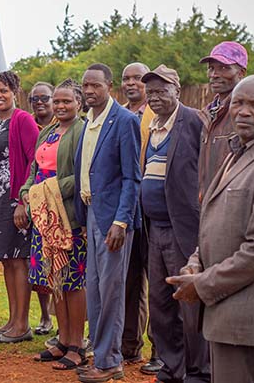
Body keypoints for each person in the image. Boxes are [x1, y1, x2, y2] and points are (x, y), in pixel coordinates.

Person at [168, 75, 254, 383]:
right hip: (227, 310)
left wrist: (203, 284)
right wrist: (196, 262)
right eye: (238, 103)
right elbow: (216, 222)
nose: (243, 111)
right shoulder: (237, 151)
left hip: (249, 315)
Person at [139, 65, 209, 383]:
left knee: (189, 304)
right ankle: (171, 366)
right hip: (155, 230)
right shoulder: (152, 126)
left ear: (177, 91)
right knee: (161, 303)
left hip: (184, 229)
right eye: (150, 92)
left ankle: (197, 371)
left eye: (161, 90)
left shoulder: (193, 120)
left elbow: (208, 167)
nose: (155, 97)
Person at [74, 63, 141, 383]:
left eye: (95, 86)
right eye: (85, 86)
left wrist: (121, 221)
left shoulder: (124, 121)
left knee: (112, 292)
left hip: (113, 220)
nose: (89, 91)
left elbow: (132, 177)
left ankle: (111, 361)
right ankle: (101, 356)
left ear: (109, 87)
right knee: (96, 292)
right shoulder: (86, 122)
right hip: (91, 213)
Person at [20, 81, 87, 370]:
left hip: (68, 214)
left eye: (66, 102)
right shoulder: (47, 131)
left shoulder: (81, 131)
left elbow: (83, 174)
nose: (60, 106)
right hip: (43, 215)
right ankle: (62, 341)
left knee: (73, 281)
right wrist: (26, 193)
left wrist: (50, 190)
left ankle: (77, 345)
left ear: (79, 103)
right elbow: (34, 169)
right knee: (54, 279)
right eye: (57, 102)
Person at [0, 71, 39, 344]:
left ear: (15, 91)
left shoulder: (22, 120)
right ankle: (13, 320)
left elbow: (33, 161)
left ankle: (23, 324)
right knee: (6, 259)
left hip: (15, 199)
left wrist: (23, 202)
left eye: (3, 90)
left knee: (18, 259)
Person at [119, 62, 162, 374]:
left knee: (158, 280)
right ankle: (128, 345)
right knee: (129, 278)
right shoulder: (119, 113)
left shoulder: (158, 114)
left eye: (137, 78)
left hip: (154, 208)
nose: (131, 83)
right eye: (126, 78)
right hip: (126, 207)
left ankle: (161, 349)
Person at [198, 41, 248, 197]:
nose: (214, 75)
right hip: (207, 202)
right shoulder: (207, 113)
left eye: (224, 68)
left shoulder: (246, 114)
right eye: (211, 68)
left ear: (241, 73)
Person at [28, 81, 56, 335]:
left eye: (44, 98)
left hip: (58, 204)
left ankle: (65, 323)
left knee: (59, 264)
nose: (39, 103)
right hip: (36, 203)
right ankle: (45, 316)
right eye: (33, 99)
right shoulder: (33, 128)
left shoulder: (65, 127)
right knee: (39, 264)